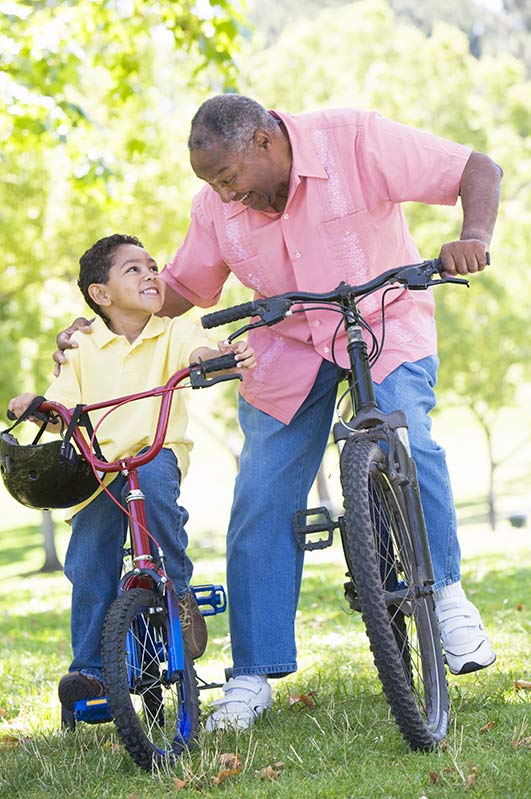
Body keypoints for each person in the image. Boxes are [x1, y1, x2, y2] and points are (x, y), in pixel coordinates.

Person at [54, 95, 503, 730]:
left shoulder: (353, 140)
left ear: (265, 141)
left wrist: (473, 236)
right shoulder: (218, 206)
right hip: (288, 345)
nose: (223, 194)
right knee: (261, 495)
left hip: (384, 317)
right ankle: (251, 677)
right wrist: (101, 320)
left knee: (410, 434)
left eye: (228, 177)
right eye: (211, 183)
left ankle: (448, 596)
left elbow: (476, 169)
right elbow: (182, 290)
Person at [10, 233, 255, 712]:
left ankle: (178, 594)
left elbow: (197, 352)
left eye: (152, 267)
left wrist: (213, 360)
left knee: (157, 492)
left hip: (153, 452)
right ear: (100, 294)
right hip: (98, 467)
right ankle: (89, 671)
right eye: (134, 270)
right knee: (88, 559)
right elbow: (61, 404)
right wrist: (37, 408)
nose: (150, 275)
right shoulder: (81, 345)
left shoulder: (172, 331)